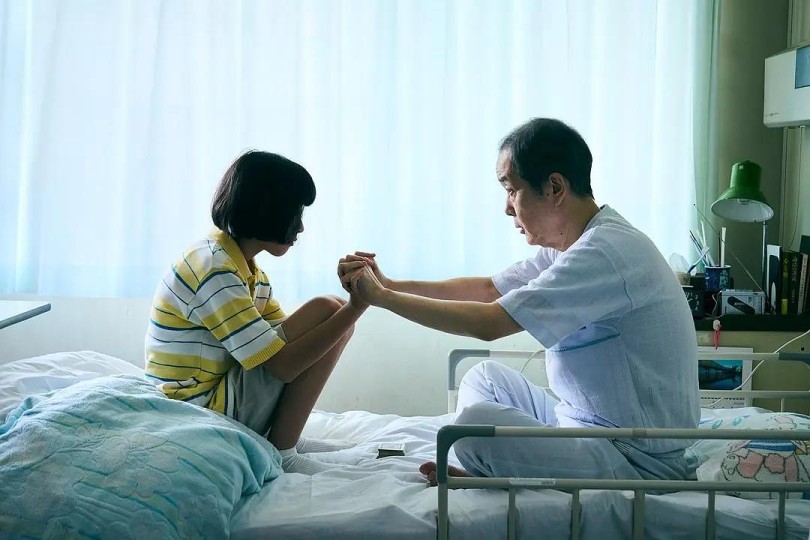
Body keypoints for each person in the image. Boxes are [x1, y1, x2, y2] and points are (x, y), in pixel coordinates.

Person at [339, 118, 700, 484]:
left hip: (634, 456)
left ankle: (491, 467)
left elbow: (490, 323)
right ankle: (494, 466)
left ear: (554, 187)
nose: (507, 208)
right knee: (484, 377)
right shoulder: (574, 244)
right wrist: (391, 284)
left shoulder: (605, 252)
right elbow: (490, 290)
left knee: (472, 425)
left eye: (512, 190)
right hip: (585, 426)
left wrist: (382, 298)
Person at [145, 150, 367, 475]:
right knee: (329, 310)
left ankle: (285, 439)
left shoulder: (244, 268)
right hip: (196, 409)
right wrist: (357, 306)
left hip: (216, 395)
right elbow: (282, 367)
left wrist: (348, 310)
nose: (301, 227)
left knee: (331, 311)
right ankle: (284, 451)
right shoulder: (215, 270)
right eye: (295, 213)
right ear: (269, 210)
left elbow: (290, 346)